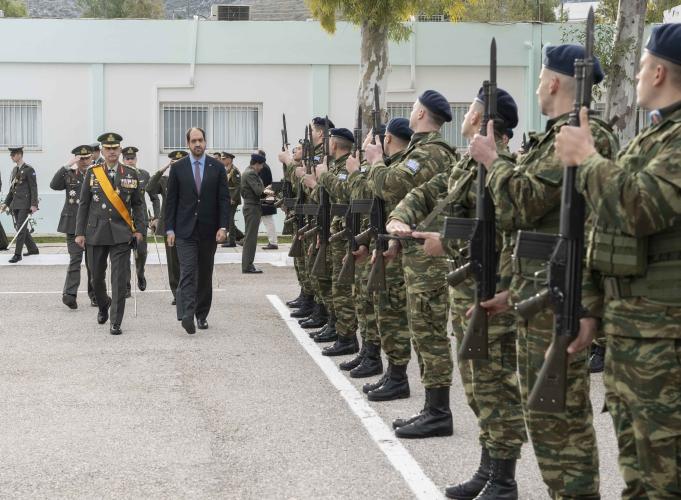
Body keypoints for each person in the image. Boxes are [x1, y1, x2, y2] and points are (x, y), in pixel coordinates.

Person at [469, 45, 618, 499]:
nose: (536, 88)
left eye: (539, 79)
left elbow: (524, 203)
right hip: (540, 295)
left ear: (554, 82)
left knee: (562, 424)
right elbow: (531, 228)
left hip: (565, 297)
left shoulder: (582, 134)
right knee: (544, 418)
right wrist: (513, 289)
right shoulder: (551, 138)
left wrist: (493, 161)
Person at [554, 23, 681, 499]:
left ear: (659, 72)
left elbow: (640, 208)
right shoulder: (652, 137)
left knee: (664, 478)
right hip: (633, 332)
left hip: (664, 340)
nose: (639, 75)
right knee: (638, 474)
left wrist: (587, 158)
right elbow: (602, 227)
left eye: (643, 66)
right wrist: (592, 308)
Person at [391, 89, 527, 497]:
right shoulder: (469, 163)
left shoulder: (503, 167)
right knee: (476, 386)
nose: (464, 115)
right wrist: (401, 215)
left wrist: (444, 241)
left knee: (495, 387)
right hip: (468, 290)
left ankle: (503, 480)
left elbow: (503, 230)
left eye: (470, 110)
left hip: (491, 290)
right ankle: (487, 470)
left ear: (483, 120)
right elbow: (434, 193)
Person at [367, 90, 459, 436]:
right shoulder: (422, 151)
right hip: (417, 252)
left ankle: (438, 412)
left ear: (420, 114)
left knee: (429, 333)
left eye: (414, 107)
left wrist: (376, 160)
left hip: (429, 259)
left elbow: (390, 186)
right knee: (421, 332)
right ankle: (432, 409)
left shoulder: (430, 153)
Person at [75, 132, 145, 335]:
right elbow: (84, 204)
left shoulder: (130, 173)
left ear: (120, 150)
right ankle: (104, 304)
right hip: (96, 232)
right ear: (102, 151)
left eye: (115, 148)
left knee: (119, 279)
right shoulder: (93, 172)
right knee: (96, 278)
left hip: (121, 233)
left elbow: (138, 205)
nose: (112, 151)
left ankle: (116, 321)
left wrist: (139, 230)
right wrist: (79, 232)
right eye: (108, 148)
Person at [165, 127, 229, 335]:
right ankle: (187, 314)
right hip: (184, 231)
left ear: (205, 142)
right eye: (193, 141)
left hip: (209, 231)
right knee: (187, 271)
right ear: (187, 144)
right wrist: (169, 229)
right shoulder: (178, 168)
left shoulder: (217, 167)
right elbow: (171, 201)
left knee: (205, 273)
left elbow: (224, 200)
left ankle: (201, 315)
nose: (197, 144)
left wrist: (223, 226)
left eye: (200, 140)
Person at [304, 127, 359, 356]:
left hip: (344, 234)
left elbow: (344, 195)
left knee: (341, 287)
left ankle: (346, 337)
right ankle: (336, 326)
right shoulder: (335, 167)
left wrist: (321, 178)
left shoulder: (346, 167)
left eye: (329, 141)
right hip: (332, 230)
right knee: (331, 282)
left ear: (334, 144)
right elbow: (323, 200)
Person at [50, 145, 96, 309]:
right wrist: (67, 165)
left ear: (92, 158)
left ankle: (95, 295)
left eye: (87, 158)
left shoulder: (97, 174)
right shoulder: (69, 174)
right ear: (76, 159)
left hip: (92, 224)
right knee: (75, 260)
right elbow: (54, 185)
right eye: (81, 158)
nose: (84, 161)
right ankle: (69, 294)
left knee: (93, 263)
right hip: (73, 225)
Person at [147, 150, 186, 305]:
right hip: (170, 226)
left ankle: (188, 290)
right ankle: (177, 293)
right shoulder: (164, 180)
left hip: (187, 225)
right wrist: (163, 169)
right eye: (174, 163)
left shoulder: (192, 179)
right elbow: (149, 188)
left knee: (188, 259)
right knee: (173, 262)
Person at [121, 146, 160, 294]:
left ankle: (140, 272)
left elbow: (154, 197)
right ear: (123, 160)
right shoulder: (119, 175)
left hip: (140, 219)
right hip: (124, 219)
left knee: (141, 252)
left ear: (136, 159)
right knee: (124, 254)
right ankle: (126, 285)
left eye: (132, 158)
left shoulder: (144, 175)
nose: (130, 161)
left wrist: (156, 216)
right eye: (127, 159)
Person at [1, 147, 39, 263]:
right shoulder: (15, 170)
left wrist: (34, 204)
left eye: (13, 155)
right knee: (20, 227)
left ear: (20, 155)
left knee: (20, 229)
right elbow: (12, 190)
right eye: (11, 155)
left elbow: (33, 188)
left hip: (25, 204)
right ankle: (33, 249)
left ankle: (17, 254)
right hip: (15, 204)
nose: (11, 157)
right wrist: (5, 203)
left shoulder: (29, 169)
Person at [241, 153, 269, 274]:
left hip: (252, 206)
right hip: (252, 207)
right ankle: (247, 266)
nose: (262, 168)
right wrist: (265, 189)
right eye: (261, 165)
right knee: (250, 239)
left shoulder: (249, 172)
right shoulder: (251, 173)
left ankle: (248, 264)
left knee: (250, 237)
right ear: (256, 164)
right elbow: (258, 191)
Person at [221, 152, 244, 247]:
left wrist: (233, 198)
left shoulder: (234, 171)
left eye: (224, 159)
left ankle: (231, 241)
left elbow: (238, 186)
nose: (222, 160)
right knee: (228, 220)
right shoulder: (227, 170)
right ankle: (238, 236)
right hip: (227, 198)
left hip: (232, 199)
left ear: (230, 159)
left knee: (230, 220)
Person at [257, 149, 278, 250]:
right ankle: (248, 239)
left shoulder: (264, 168)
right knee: (257, 220)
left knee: (268, 220)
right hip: (265, 197)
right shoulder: (264, 167)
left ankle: (273, 242)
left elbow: (263, 184)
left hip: (265, 198)